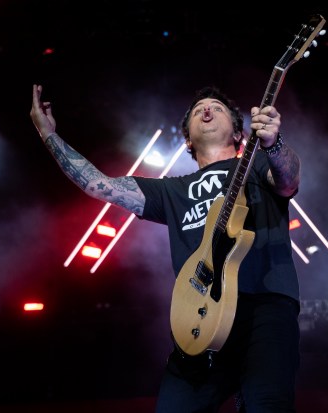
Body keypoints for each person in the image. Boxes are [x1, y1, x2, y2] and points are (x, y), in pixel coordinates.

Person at [30, 83, 302, 412]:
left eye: (217, 107)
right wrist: (49, 136)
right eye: (199, 109)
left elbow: (288, 181)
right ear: (187, 138)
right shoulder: (171, 191)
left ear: (238, 133)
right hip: (198, 318)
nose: (207, 110)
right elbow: (97, 184)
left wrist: (274, 144)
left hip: (263, 306)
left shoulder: (258, 166)